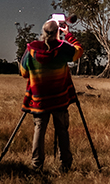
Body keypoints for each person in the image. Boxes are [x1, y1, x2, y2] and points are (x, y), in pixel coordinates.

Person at [19, 17, 83, 173]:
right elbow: (78, 51)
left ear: (43, 32)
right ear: (57, 33)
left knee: (39, 130)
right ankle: (65, 165)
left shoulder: (32, 49)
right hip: (60, 98)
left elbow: (23, 72)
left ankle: (36, 166)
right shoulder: (63, 48)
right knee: (62, 130)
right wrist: (68, 35)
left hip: (39, 99)